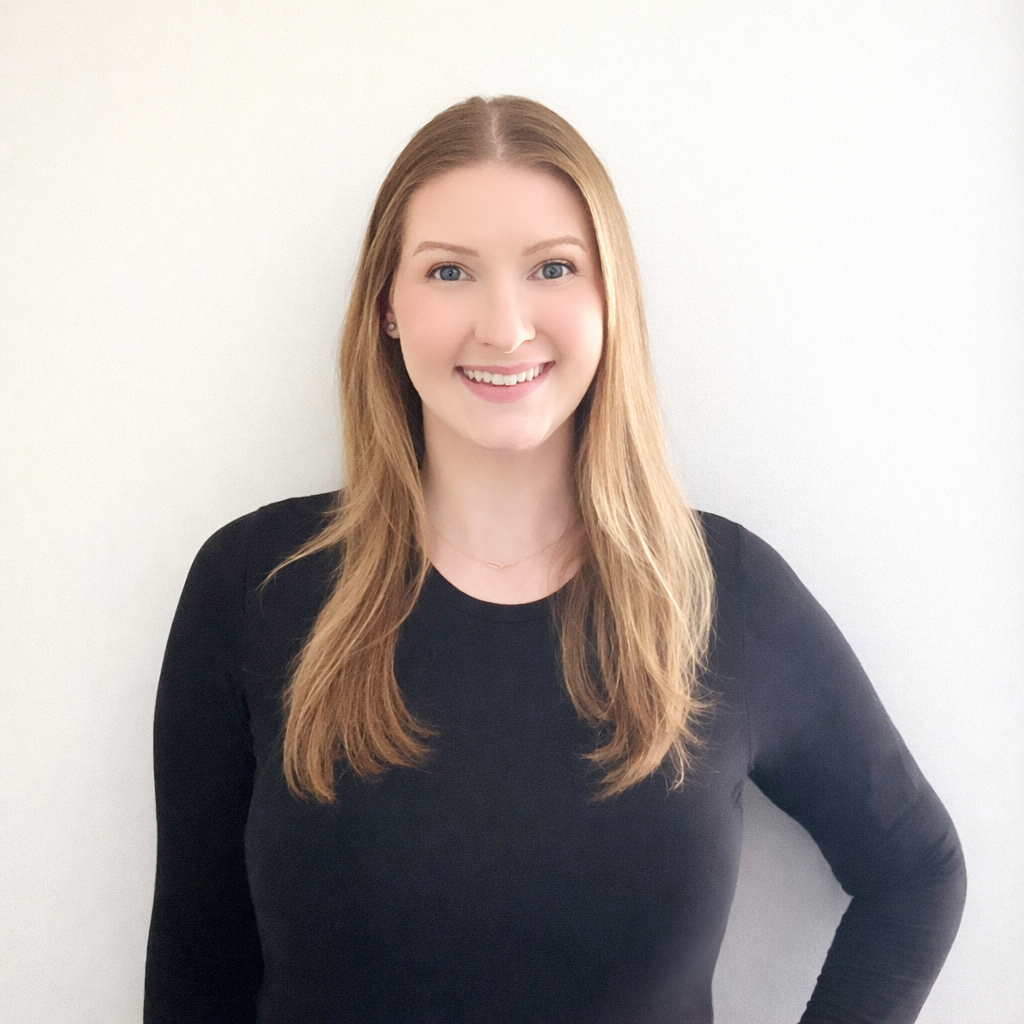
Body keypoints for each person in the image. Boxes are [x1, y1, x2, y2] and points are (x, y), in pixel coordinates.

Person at [144, 96, 966, 1024]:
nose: (504, 326)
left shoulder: (721, 594)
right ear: (387, 306)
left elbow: (917, 872)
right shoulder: (256, 587)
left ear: (609, 297)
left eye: (553, 269)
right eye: (449, 270)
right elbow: (195, 963)